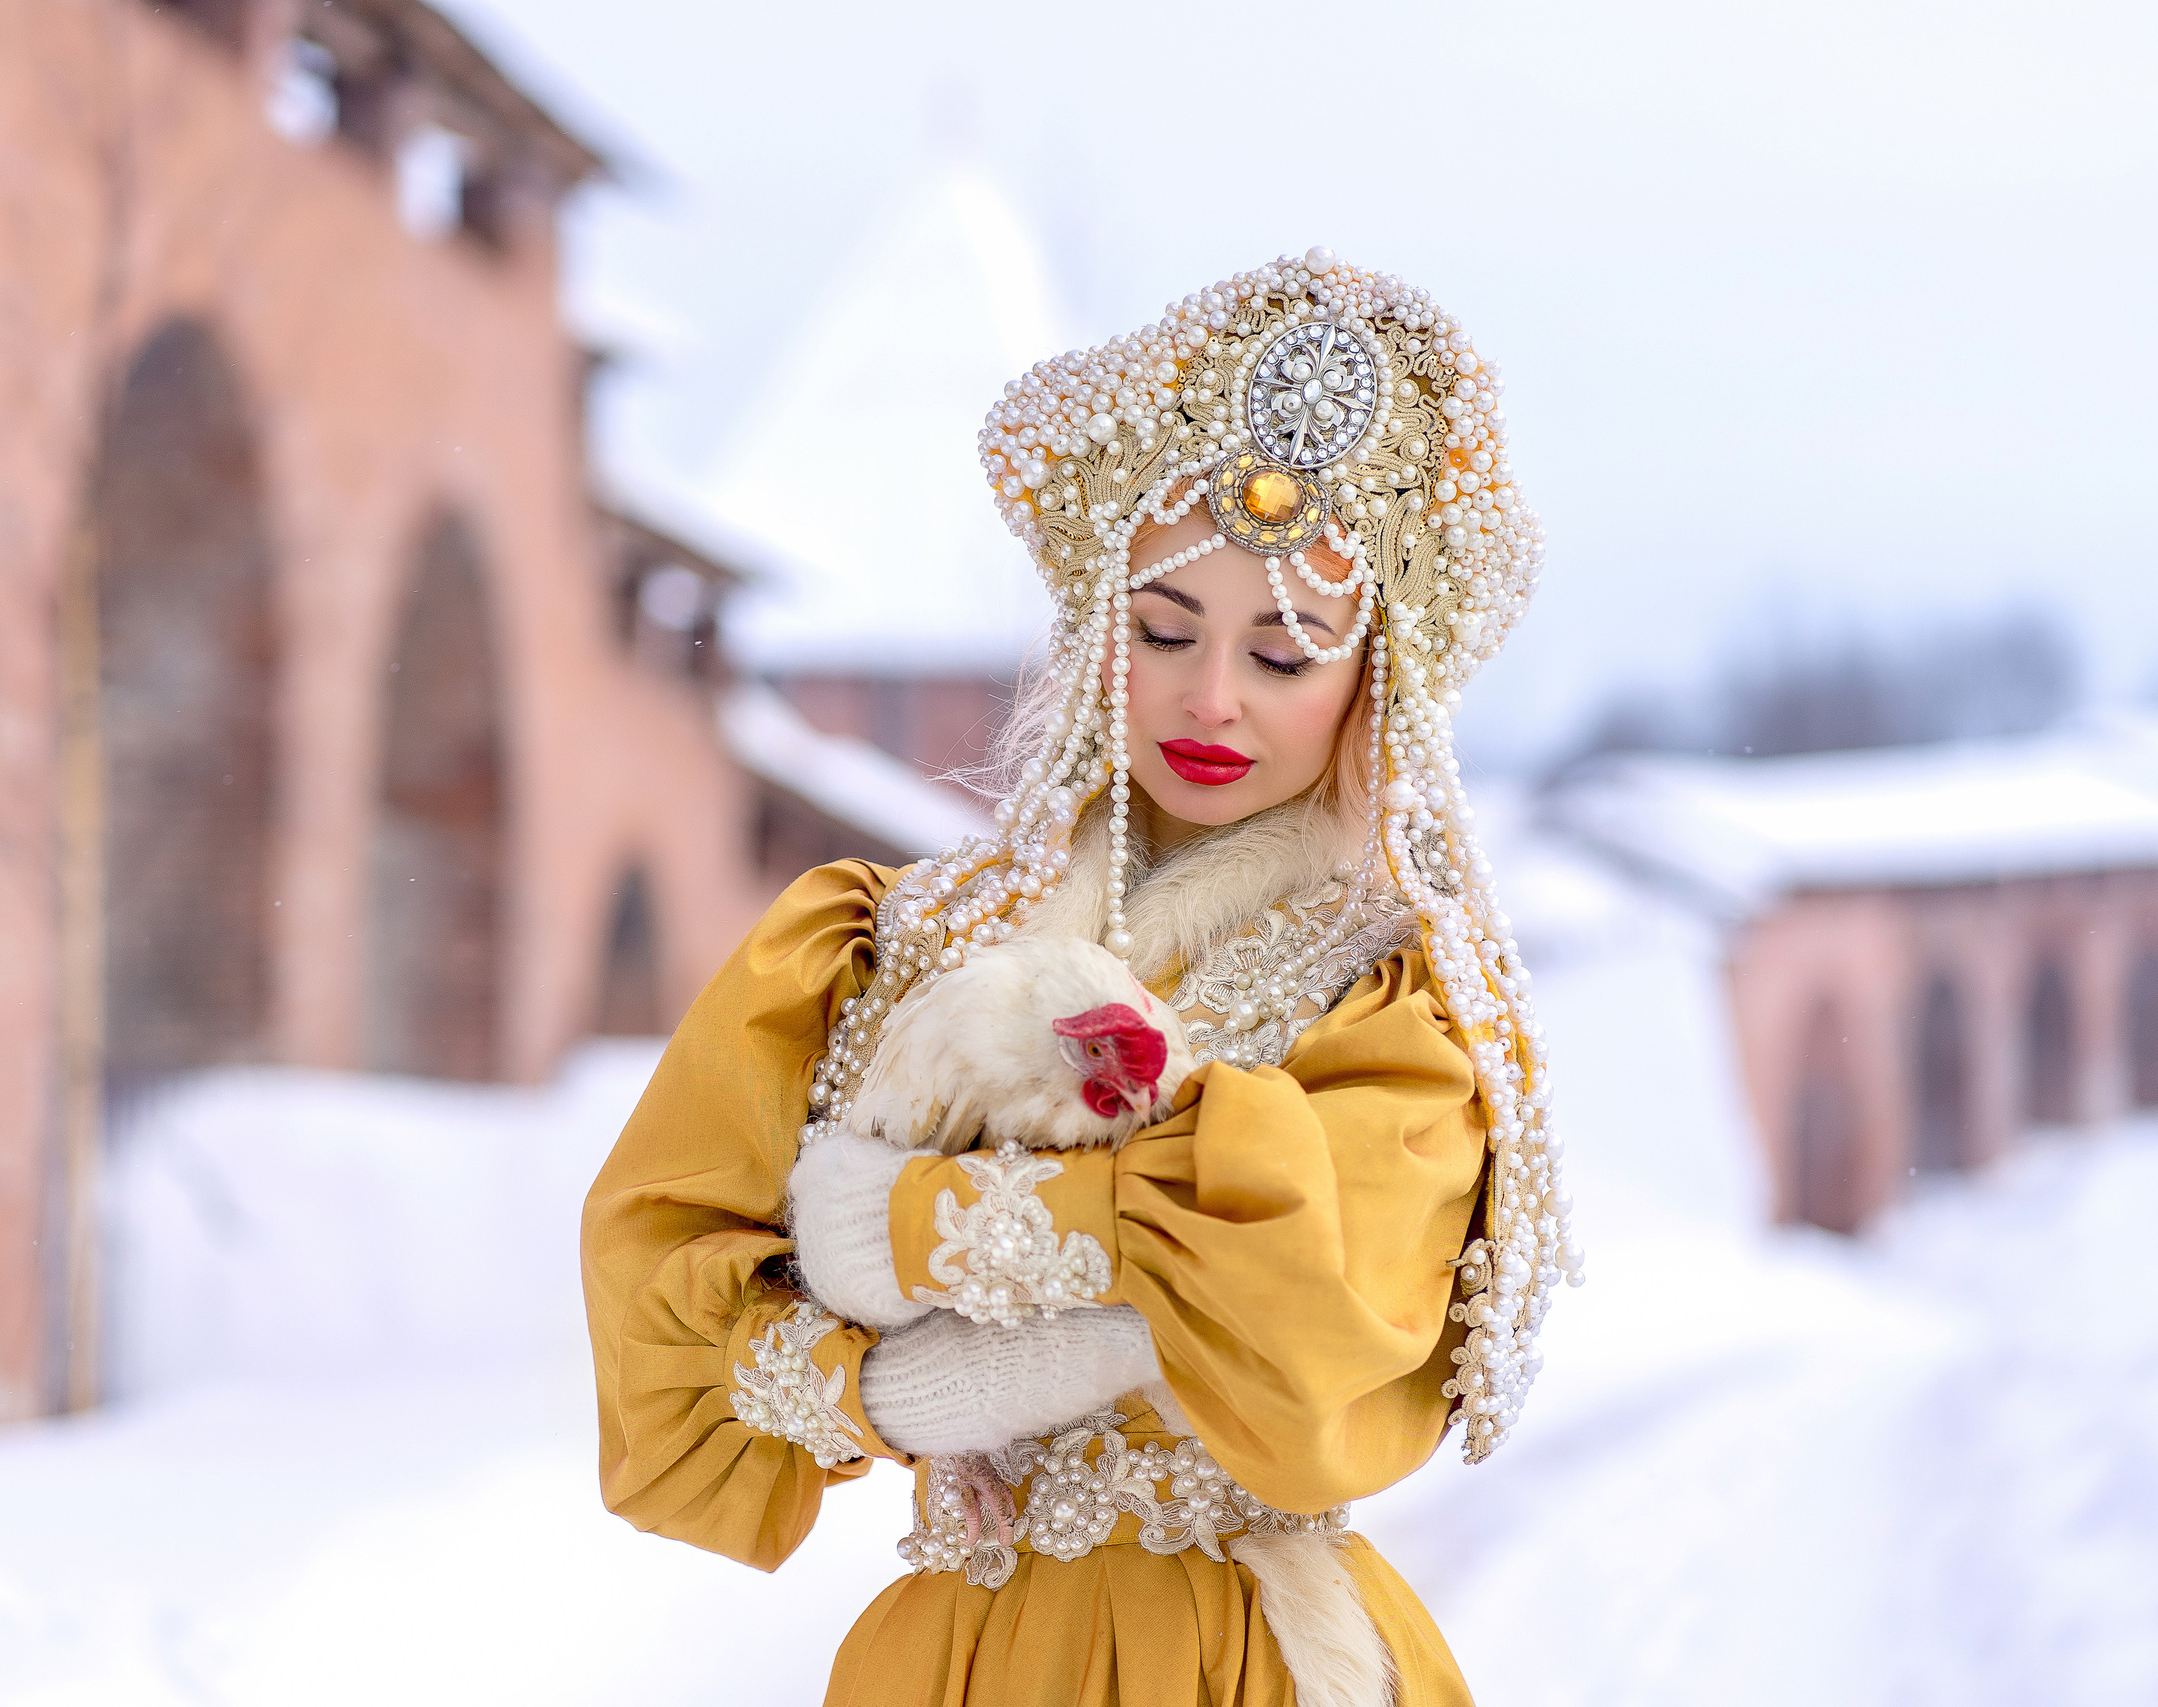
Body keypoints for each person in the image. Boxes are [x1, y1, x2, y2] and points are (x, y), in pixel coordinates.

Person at [582, 249, 1578, 1707]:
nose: (1209, 699)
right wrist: (883, 1391)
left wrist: (894, 1236)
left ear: (1372, 683)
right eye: (1164, 632)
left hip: (1245, 1660)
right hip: (965, 1659)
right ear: (1098, 627)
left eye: (1285, 654)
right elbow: (666, 1341)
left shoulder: (1387, 997)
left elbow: (1314, 1338)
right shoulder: (889, 944)